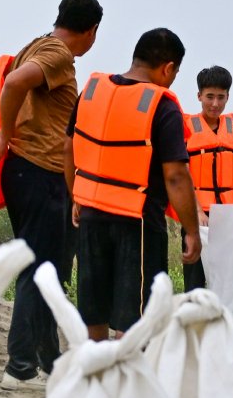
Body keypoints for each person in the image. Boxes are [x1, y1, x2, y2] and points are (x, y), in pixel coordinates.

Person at [0, 0, 102, 390]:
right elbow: (14, 83)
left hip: (28, 172)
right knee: (39, 269)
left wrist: (7, 133)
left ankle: (47, 362)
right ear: (91, 31)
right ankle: (19, 367)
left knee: (47, 270)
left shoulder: (36, 45)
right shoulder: (57, 54)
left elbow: (18, 93)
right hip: (40, 172)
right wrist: (5, 135)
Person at [69, 28, 201, 339]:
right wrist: (192, 230)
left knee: (93, 310)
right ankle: (130, 380)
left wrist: (76, 195)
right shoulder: (162, 105)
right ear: (168, 68)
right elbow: (176, 175)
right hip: (137, 220)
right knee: (138, 317)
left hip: (90, 213)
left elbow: (67, 147)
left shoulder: (91, 93)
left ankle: (97, 378)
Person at [180, 65, 233, 291]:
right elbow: (182, 172)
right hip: (197, 213)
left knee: (228, 274)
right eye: (209, 97)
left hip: (226, 213)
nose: (215, 104)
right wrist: (197, 211)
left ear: (228, 96)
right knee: (195, 275)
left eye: (221, 97)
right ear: (199, 96)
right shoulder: (186, 129)